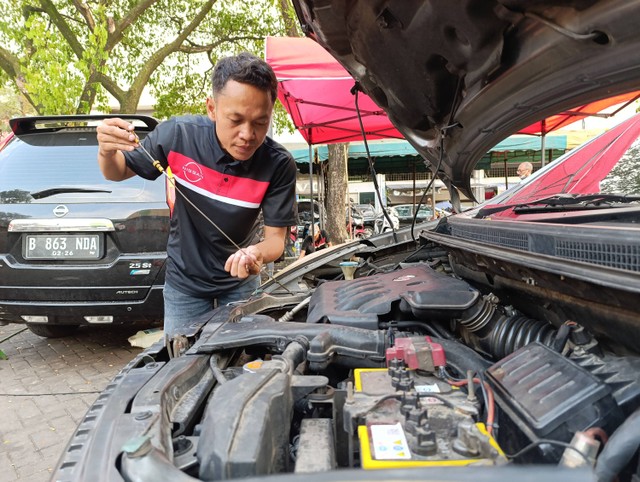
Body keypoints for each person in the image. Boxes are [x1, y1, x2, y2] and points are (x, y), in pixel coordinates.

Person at [96, 52, 297, 345]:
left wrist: (256, 253)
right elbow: (118, 171)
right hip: (184, 285)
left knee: (244, 366)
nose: (247, 135)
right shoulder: (177, 136)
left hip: (241, 282)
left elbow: (276, 241)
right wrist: (106, 151)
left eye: (260, 122)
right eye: (236, 120)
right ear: (212, 108)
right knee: (181, 366)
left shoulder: (278, 164)